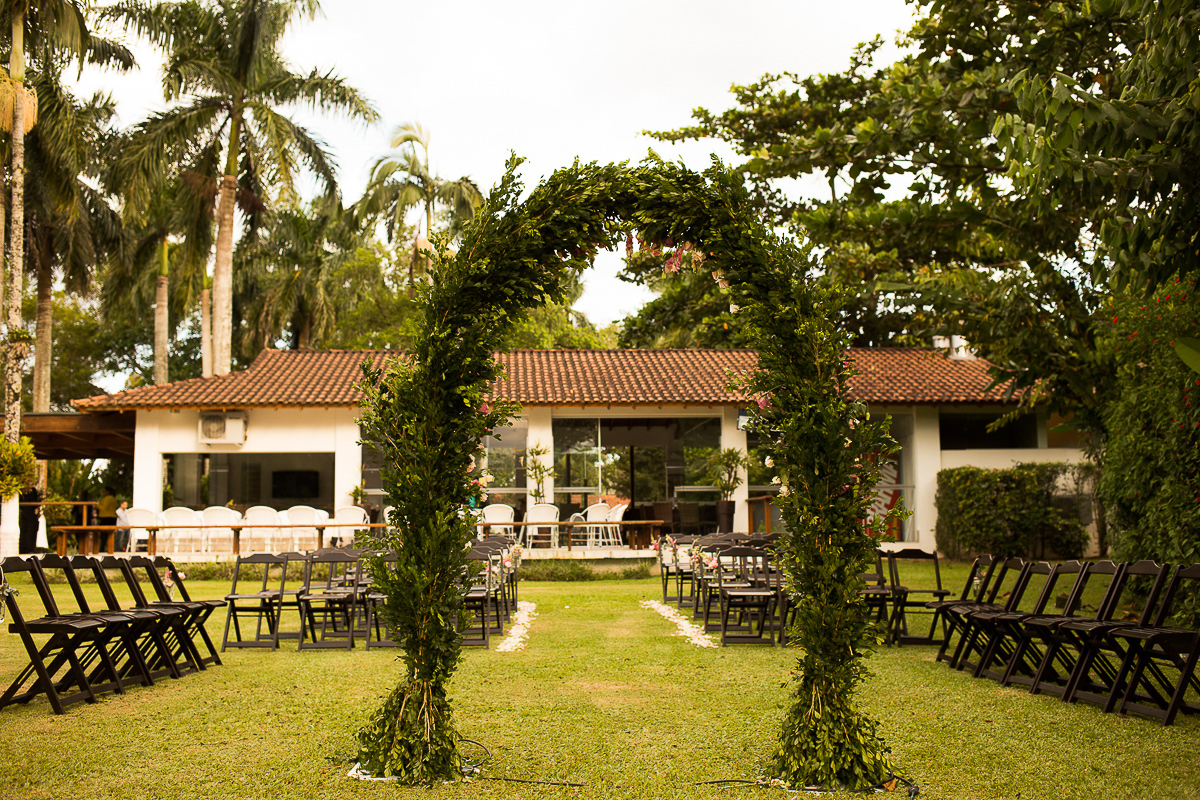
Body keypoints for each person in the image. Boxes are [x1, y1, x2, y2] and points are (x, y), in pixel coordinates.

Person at [18, 485, 41, 554]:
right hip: (30, 513)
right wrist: (36, 509)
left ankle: (23, 548)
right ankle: (29, 549)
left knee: (24, 530)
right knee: (30, 531)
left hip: (24, 512)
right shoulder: (32, 490)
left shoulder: (21, 490)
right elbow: (34, 502)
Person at [97, 486, 119, 551]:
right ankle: (109, 549)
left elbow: (104, 508)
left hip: (107, 518)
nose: (103, 492)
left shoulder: (108, 498)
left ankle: (102, 549)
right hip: (112, 518)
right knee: (109, 535)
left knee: (104, 535)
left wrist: (96, 505)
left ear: (108, 492)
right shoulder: (113, 498)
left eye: (104, 491)